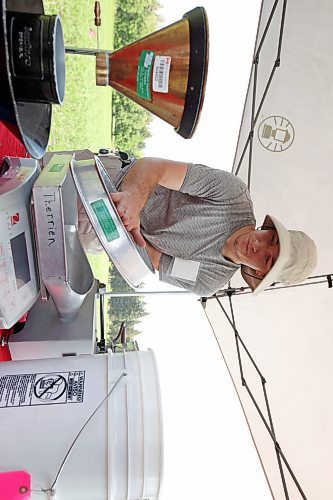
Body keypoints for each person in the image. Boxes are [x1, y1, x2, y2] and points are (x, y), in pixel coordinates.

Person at [79, 156, 317, 297]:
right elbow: (155, 167)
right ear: (270, 228)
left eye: (267, 259)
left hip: (108, 234)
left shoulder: (210, 280)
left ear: (259, 273)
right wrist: (132, 198)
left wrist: (129, 226)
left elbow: (155, 260)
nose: (258, 245)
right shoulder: (233, 195)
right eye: (271, 239)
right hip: (109, 180)